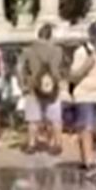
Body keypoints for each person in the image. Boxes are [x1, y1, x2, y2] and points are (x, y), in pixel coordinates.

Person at [68, 21, 96, 174]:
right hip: (85, 94)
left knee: (93, 129)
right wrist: (86, 65)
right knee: (86, 127)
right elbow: (73, 76)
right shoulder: (81, 52)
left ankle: (87, 157)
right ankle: (88, 161)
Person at [20, 24, 64, 155]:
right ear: (50, 36)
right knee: (55, 119)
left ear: (38, 35)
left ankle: (32, 144)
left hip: (33, 86)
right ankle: (57, 144)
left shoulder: (28, 50)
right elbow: (63, 68)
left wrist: (23, 84)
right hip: (53, 86)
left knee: (33, 119)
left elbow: (19, 68)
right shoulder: (58, 50)